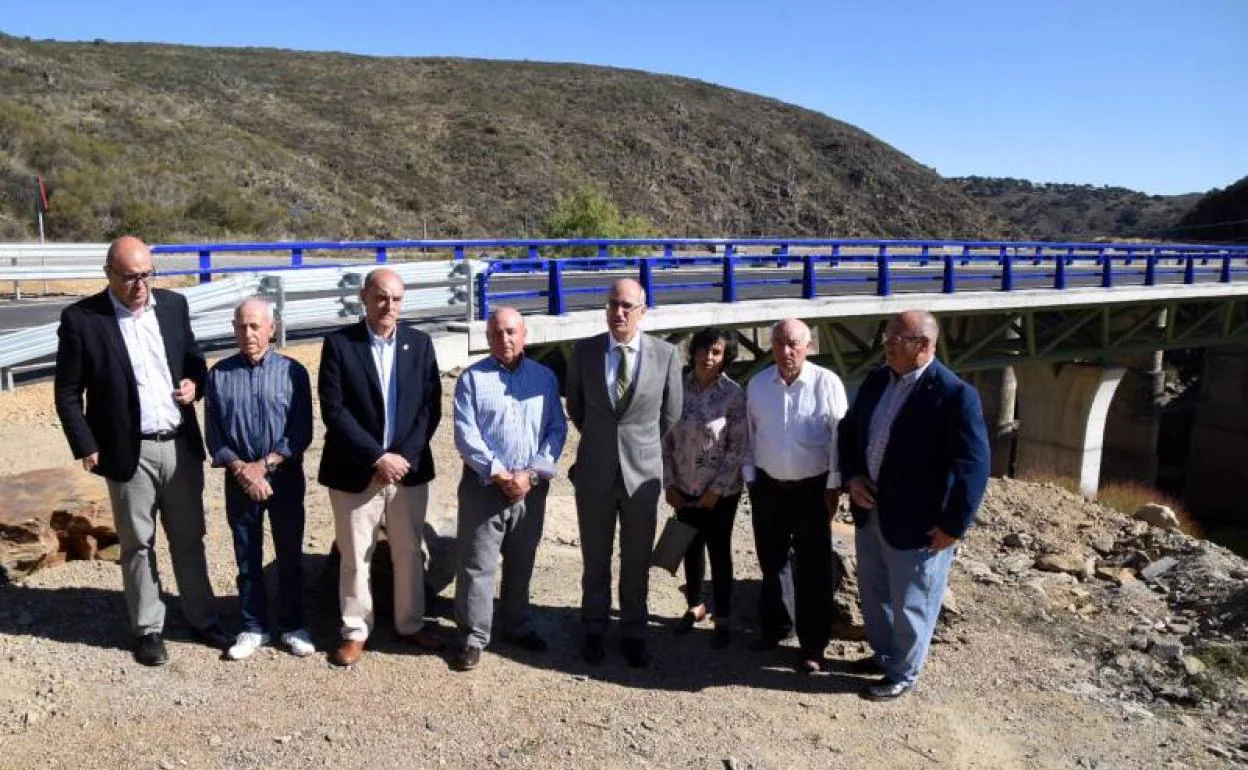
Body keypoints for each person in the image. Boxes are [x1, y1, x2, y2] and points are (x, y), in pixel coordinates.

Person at [53, 235, 227, 666]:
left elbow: (194, 361)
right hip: (129, 452)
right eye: (130, 277)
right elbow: (67, 392)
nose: (140, 285)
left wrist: (195, 385)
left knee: (190, 538)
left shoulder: (173, 306)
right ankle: (148, 628)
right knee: (137, 544)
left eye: (147, 275)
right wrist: (86, 444)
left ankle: (202, 617)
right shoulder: (82, 319)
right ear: (109, 273)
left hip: (180, 445)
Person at [837, 310, 990, 700]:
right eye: (886, 337)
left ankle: (903, 673)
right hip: (870, 509)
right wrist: (853, 476)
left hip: (920, 522)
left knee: (913, 600)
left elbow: (973, 466)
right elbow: (849, 430)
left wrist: (953, 526)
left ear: (924, 345)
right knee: (874, 593)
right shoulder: (877, 380)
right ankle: (886, 655)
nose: (886, 345)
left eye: (896, 339)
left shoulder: (955, 395)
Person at [318, 268, 443, 667]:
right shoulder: (339, 345)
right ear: (364, 298)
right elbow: (334, 411)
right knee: (356, 553)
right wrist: (377, 457)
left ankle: (409, 623)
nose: (389, 306)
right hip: (357, 470)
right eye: (381, 297)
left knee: (409, 551)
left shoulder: (420, 345)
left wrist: (400, 458)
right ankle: (355, 629)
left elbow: (430, 408)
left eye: (396, 298)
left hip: (407, 471)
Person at [566, 278, 682, 668]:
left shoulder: (666, 355)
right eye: (613, 304)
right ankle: (594, 627)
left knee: (636, 560)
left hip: (643, 475)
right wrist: (603, 443)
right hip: (595, 472)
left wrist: (639, 446)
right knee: (594, 558)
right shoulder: (584, 352)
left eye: (627, 306)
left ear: (642, 311)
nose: (618, 312)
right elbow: (577, 409)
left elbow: (671, 414)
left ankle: (634, 629)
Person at [451, 307, 568, 671]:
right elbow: (465, 434)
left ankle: (517, 624)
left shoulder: (545, 378)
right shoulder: (471, 379)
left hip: (531, 489)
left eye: (512, 332)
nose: (505, 339)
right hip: (486, 486)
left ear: (525, 335)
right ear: (487, 338)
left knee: (522, 560)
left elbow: (556, 430)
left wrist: (531, 475)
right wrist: (501, 474)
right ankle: (473, 636)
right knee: (477, 564)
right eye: (497, 333)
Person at [204, 298, 314, 661]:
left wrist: (265, 466)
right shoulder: (218, 376)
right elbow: (215, 436)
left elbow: (301, 431)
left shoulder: (293, 372)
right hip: (239, 482)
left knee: (289, 555)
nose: (248, 333)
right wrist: (243, 471)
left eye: (255, 326)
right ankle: (253, 626)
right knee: (246, 557)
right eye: (240, 326)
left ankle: (293, 625)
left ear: (272, 327)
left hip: (284, 477)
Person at [743, 318, 847, 674]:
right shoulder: (758, 386)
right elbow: (749, 435)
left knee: (814, 568)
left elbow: (838, 438)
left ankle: (813, 645)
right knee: (772, 562)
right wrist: (751, 479)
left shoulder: (826, 383)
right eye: (779, 344)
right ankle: (775, 628)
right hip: (769, 487)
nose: (786, 352)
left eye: (793, 344)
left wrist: (834, 484)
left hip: (813, 489)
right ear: (771, 346)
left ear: (808, 346)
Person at [661, 326, 747, 649]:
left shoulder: (734, 394)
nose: (708, 358)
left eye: (716, 352)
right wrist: (669, 484)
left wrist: (717, 490)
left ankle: (722, 617)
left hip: (720, 493)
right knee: (689, 548)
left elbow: (738, 448)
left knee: (719, 552)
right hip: (683, 486)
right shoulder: (677, 389)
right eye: (703, 350)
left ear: (726, 357)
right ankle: (694, 606)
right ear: (694, 351)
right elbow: (665, 439)